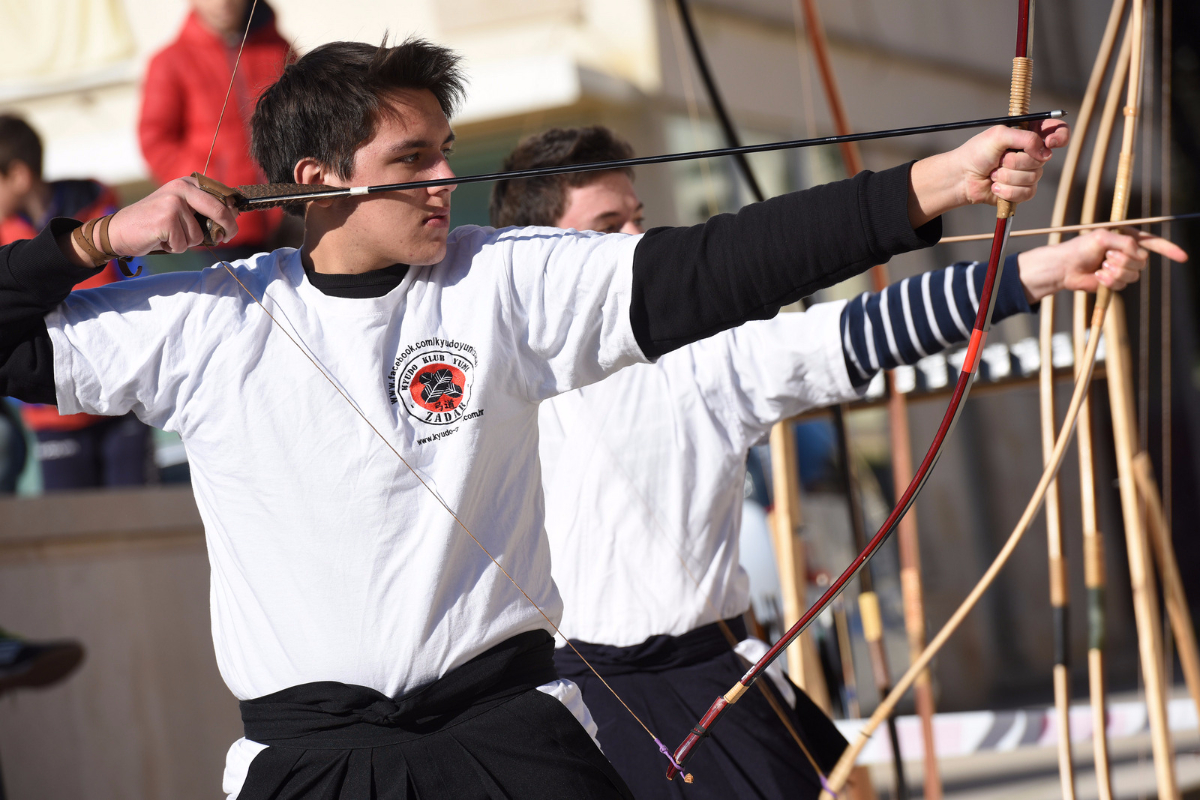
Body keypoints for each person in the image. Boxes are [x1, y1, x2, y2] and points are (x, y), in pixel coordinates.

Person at [0, 37, 1069, 799]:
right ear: (315, 180)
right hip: (313, 761)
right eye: (410, 161)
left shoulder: (501, 280)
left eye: (444, 151)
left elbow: (716, 265)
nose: (443, 181)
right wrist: (92, 241)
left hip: (508, 738)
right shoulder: (205, 320)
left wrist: (934, 183)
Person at [491, 126, 1187, 799]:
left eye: (638, 219)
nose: (637, 241)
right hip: (569, 700)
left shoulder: (701, 357)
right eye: (608, 227)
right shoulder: (490, 375)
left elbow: (858, 331)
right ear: (545, 254)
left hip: (704, 686)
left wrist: (1039, 272)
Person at [0, 115, 152, 491]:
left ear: (18, 175)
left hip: (123, 401)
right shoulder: (4, 241)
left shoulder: (104, 216)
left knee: (137, 519)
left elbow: (140, 293)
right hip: (53, 416)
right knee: (71, 524)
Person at [138, 0, 291, 260]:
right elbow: (155, 141)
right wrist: (205, 189)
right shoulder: (169, 61)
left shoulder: (278, 48)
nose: (223, 3)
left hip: (289, 214)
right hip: (221, 225)